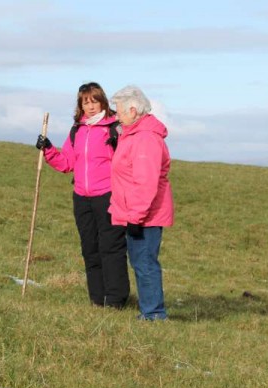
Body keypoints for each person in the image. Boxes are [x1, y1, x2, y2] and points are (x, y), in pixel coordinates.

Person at [35, 82, 130, 309]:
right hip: (82, 197)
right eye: (85, 102)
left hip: (108, 195)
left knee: (111, 247)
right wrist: (48, 148)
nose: (90, 106)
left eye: (94, 101)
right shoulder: (76, 130)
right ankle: (97, 299)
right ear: (80, 105)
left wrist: (119, 144)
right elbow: (67, 163)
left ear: (103, 102)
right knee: (90, 248)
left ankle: (116, 300)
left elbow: (128, 160)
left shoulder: (115, 127)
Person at [108, 85, 174, 321]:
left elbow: (145, 182)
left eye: (119, 111)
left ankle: (154, 313)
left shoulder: (145, 139)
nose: (116, 116)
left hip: (145, 215)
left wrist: (135, 217)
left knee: (145, 262)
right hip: (136, 212)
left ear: (133, 110)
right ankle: (150, 310)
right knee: (140, 261)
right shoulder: (133, 135)